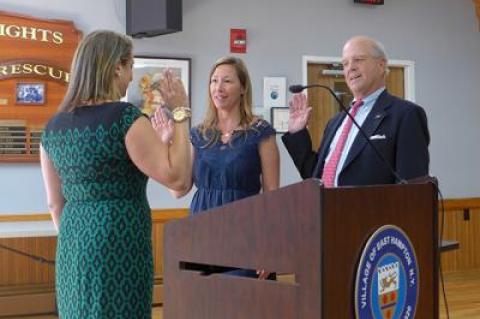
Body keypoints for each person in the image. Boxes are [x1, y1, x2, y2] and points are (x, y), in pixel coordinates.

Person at [40, 30, 191, 318]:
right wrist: (181, 110)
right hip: (118, 240)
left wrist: (81, 239)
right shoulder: (124, 119)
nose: (132, 76)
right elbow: (178, 179)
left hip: (72, 244)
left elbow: (54, 203)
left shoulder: (52, 128)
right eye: (131, 66)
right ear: (116, 66)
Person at [169, 56, 280, 278]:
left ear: (243, 88)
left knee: (242, 305)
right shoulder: (199, 134)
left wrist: (270, 247)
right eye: (214, 81)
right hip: (201, 233)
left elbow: (272, 195)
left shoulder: (260, 131)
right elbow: (178, 190)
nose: (218, 88)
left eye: (227, 81)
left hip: (245, 234)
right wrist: (167, 143)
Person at [282, 36, 429, 187]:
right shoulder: (335, 123)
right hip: (327, 209)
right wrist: (297, 133)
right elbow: (315, 176)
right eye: (345, 63)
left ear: (381, 64)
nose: (350, 67)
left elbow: (412, 187)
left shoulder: (406, 115)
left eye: (358, 59)